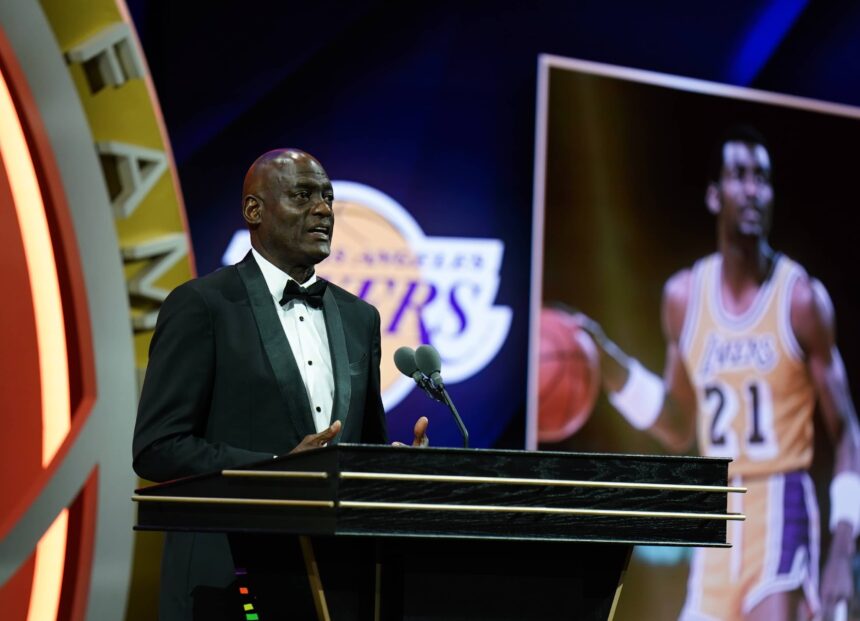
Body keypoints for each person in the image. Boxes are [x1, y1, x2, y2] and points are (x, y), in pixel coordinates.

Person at [575, 126, 860, 621]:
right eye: (739, 176)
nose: (752, 189)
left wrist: (842, 550)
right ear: (714, 195)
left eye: (763, 179)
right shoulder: (684, 297)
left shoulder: (800, 299)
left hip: (782, 505)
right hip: (719, 512)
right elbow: (681, 424)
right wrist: (613, 369)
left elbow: (847, 432)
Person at [132, 148, 429, 620]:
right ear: (254, 211)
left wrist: (394, 468)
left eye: (328, 197)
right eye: (303, 195)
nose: (324, 210)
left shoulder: (360, 318)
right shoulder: (201, 305)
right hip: (227, 580)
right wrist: (276, 469)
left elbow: (357, 450)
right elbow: (157, 447)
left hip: (331, 584)